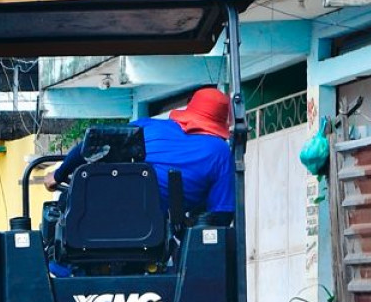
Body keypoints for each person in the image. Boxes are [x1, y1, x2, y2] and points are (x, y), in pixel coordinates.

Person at [47, 85, 235, 216]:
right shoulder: (220, 152)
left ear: (189, 110)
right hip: (153, 235)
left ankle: (59, 268)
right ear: (219, 123)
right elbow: (221, 216)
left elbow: (90, 144)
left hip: (97, 217)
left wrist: (57, 175)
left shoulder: (146, 127)